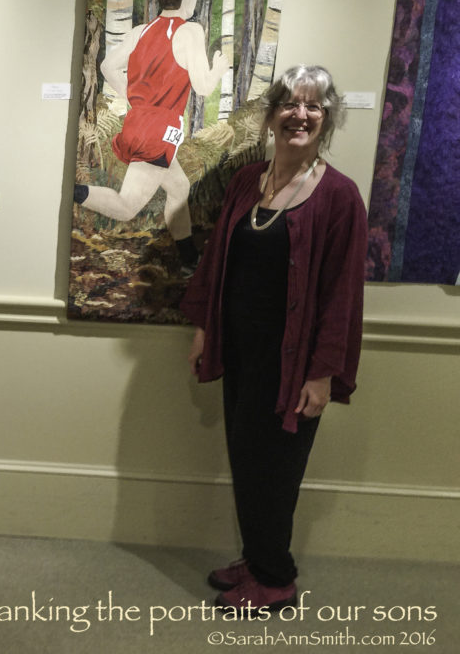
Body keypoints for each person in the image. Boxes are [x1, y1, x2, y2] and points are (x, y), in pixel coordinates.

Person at [180, 65, 367, 612]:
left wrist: (322, 373)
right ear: (272, 115)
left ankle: (276, 579)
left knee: (275, 470)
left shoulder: (339, 198)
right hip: (240, 350)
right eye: (289, 104)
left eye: (313, 106)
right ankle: (258, 556)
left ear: (326, 119)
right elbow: (216, 263)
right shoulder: (247, 183)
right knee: (246, 456)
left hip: (292, 364)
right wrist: (203, 329)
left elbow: (342, 297)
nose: (300, 115)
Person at [76, 0, 229, 269]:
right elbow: (201, 86)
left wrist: (134, 99)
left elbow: (107, 67)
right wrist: (220, 68)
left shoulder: (140, 31)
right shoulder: (189, 31)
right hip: (160, 130)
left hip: (140, 123)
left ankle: (188, 257)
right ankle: (72, 193)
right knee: (127, 206)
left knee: (180, 187)